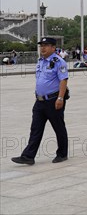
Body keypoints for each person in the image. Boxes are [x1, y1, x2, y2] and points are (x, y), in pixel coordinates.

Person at [12, 37, 69, 165]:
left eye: (46, 45)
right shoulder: (41, 61)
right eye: (41, 45)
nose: (42, 48)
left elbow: (63, 80)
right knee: (35, 129)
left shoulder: (59, 62)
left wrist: (60, 98)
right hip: (39, 101)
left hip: (53, 100)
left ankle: (62, 154)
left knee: (58, 127)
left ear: (53, 48)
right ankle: (28, 156)